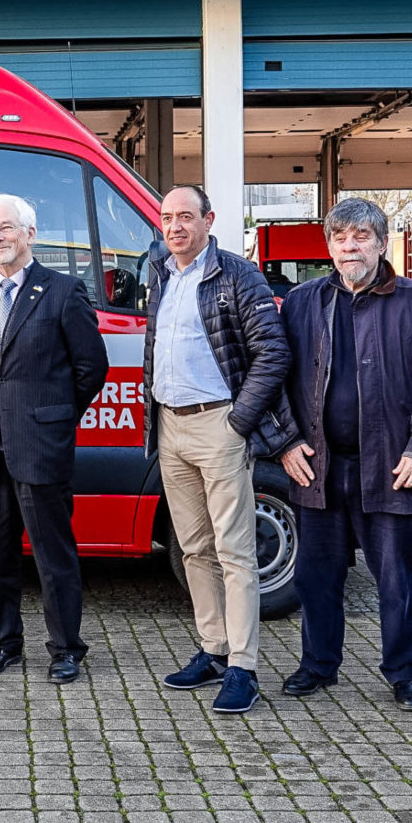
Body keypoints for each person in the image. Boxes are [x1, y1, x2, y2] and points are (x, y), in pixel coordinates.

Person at [276, 199, 412, 712]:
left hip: (393, 466)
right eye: (339, 237)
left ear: (382, 243)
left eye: (360, 236)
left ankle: (405, 673)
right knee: (316, 576)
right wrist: (286, 442)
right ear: (328, 246)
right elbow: (277, 379)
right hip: (318, 465)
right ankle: (318, 664)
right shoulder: (303, 302)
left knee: (397, 578)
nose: (349, 247)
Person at [142, 185, 294, 714]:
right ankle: (213, 650)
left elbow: (272, 352)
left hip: (219, 426)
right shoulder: (160, 274)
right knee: (193, 549)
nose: (175, 226)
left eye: (186, 216)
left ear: (209, 220)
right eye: (167, 217)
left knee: (235, 552)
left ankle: (243, 667)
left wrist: (238, 422)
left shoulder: (238, 274)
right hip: (171, 426)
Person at [0, 193, 109, 684]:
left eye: (5, 227)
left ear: (30, 233)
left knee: (53, 556)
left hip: (41, 445)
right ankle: (3, 642)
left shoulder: (63, 291)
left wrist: (55, 418)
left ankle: (66, 648)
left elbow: (91, 367)